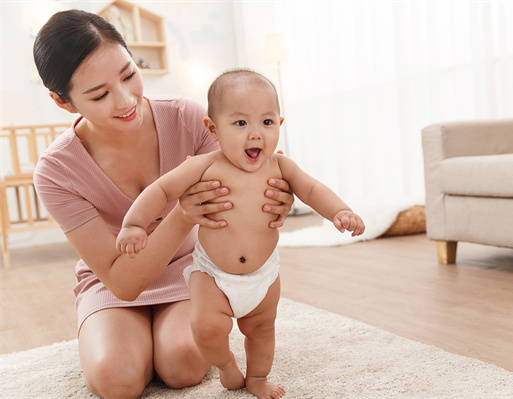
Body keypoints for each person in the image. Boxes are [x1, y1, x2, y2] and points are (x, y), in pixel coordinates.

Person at [31, 10, 294, 399]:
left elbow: (248, 184)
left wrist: (277, 198)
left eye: (128, 73)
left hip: (193, 270)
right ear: (62, 101)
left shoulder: (189, 120)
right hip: (115, 283)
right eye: (100, 94)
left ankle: (157, 338)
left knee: (183, 364)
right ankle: (118, 339)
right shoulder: (56, 172)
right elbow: (123, 282)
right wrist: (183, 215)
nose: (125, 100)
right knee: (115, 380)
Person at [116, 69, 365, 399]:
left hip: (263, 275)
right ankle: (227, 366)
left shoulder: (282, 167)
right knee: (206, 328)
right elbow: (162, 190)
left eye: (266, 122)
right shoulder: (203, 166)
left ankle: (258, 378)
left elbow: (313, 188)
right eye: (240, 123)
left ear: (280, 123)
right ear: (213, 129)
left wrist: (340, 211)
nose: (256, 135)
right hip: (213, 275)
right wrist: (134, 223)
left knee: (262, 330)